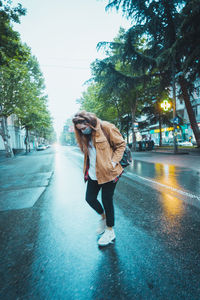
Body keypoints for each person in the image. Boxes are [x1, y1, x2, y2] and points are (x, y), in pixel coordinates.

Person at [72, 110, 126, 246]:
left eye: (84, 128)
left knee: (107, 200)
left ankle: (110, 230)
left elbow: (121, 145)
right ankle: (103, 217)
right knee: (89, 198)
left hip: (109, 173)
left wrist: (112, 163)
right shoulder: (84, 136)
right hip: (93, 173)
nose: (83, 131)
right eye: (80, 130)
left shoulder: (106, 127)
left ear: (89, 122)